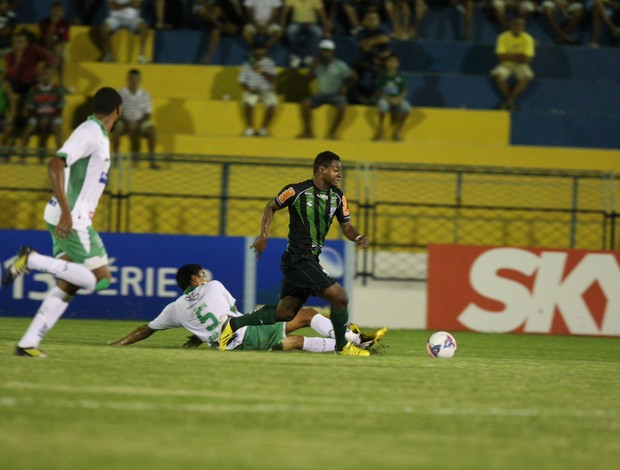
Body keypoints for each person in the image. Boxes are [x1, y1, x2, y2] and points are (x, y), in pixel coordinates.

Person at [2, 86, 124, 358]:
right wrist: (68, 214)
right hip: (74, 217)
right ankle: (30, 260)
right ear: (118, 110)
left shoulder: (98, 135)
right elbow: (55, 164)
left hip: (70, 214)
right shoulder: (89, 131)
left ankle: (27, 343)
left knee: (70, 281)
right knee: (98, 279)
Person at [219, 151, 372, 357]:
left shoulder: (338, 197)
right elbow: (270, 207)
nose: (339, 174)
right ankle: (342, 347)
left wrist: (358, 236)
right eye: (336, 169)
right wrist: (263, 236)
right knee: (340, 297)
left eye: (340, 171)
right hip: (298, 259)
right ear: (321, 169)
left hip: (309, 260)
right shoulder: (296, 191)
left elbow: (346, 226)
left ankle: (232, 323)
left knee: (285, 313)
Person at [110, 264, 387, 352]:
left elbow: (144, 331)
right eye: (201, 275)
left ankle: (354, 344)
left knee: (292, 342)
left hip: (229, 345)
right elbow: (229, 314)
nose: (205, 277)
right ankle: (353, 342)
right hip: (243, 334)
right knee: (308, 315)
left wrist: (116, 345)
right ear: (196, 279)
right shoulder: (214, 286)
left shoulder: (175, 308)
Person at [298, 39, 354, 139]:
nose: (325, 53)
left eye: (327, 50)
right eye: (323, 50)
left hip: (335, 94)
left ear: (332, 52)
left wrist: (345, 88)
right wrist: (312, 67)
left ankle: (333, 132)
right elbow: (306, 80)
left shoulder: (340, 65)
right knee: (305, 104)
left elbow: (352, 77)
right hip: (321, 94)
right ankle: (308, 131)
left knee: (342, 106)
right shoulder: (317, 65)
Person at [112, 69, 158, 168]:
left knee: (152, 130)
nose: (134, 80)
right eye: (132, 78)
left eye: (136, 78)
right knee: (116, 129)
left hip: (140, 122)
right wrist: (128, 123)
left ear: (140, 79)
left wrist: (136, 124)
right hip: (124, 121)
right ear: (127, 79)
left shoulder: (145, 94)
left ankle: (152, 161)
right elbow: (117, 112)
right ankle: (115, 160)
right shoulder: (120, 93)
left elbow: (148, 113)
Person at [490, 17, 535, 111]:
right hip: (506, 64)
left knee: (527, 76)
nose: (518, 27)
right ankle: (510, 101)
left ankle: (509, 101)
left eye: (521, 25)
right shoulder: (502, 37)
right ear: (511, 26)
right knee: (498, 75)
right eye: (516, 25)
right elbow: (500, 56)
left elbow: (527, 59)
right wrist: (518, 56)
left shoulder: (528, 38)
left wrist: (509, 55)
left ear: (523, 27)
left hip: (521, 65)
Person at [21, 67, 65, 158]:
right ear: (40, 77)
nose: (46, 77)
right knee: (28, 129)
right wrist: (41, 119)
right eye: (44, 75)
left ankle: (61, 157)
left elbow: (60, 108)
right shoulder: (34, 90)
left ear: (52, 76)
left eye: (48, 75)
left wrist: (48, 119)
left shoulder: (57, 90)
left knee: (57, 128)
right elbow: (30, 108)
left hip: (53, 117)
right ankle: (23, 155)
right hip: (36, 117)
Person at [239, 41, 277, 137]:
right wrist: (249, 89)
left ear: (265, 51)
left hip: (266, 91)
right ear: (253, 51)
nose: (259, 52)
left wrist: (262, 71)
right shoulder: (247, 64)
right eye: (257, 50)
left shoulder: (269, 63)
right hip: (252, 90)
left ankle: (263, 129)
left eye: (262, 50)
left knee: (272, 104)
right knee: (248, 102)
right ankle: (250, 128)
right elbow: (241, 82)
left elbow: (273, 80)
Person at [352, 9, 390, 104]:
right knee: (351, 75)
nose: (372, 21)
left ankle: (376, 98)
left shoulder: (382, 30)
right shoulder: (361, 32)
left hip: (380, 61)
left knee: (381, 74)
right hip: (363, 60)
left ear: (378, 21)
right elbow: (363, 47)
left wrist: (369, 42)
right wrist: (376, 40)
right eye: (369, 19)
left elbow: (385, 39)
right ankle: (354, 97)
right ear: (364, 21)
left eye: (374, 19)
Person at [280, 0, 331, 68]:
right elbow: (284, 12)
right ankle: (296, 55)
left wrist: (326, 30)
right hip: (296, 23)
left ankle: (309, 56)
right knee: (291, 31)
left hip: (311, 24)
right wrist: (282, 27)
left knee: (318, 32)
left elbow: (322, 14)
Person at [374, 52, 411, 141]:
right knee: (382, 106)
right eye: (390, 61)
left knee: (407, 108)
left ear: (398, 64)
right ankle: (381, 129)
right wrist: (388, 99)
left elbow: (405, 90)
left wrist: (398, 99)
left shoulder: (400, 76)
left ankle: (398, 130)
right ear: (386, 63)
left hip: (397, 99)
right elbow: (378, 91)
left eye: (394, 62)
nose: (392, 64)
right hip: (386, 99)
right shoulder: (382, 76)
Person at [38, 1, 70, 88]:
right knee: (59, 57)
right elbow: (45, 41)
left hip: (58, 49)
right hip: (45, 47)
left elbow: (64, 41)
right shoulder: (44, 22)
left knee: (59, 51)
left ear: (63, 12)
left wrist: (58, 48)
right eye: (55, 10)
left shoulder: (65, 24)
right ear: (51, 11)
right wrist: (53, 25)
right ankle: (60, 83)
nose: (57, 12)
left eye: (60, 10)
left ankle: (50, 79)